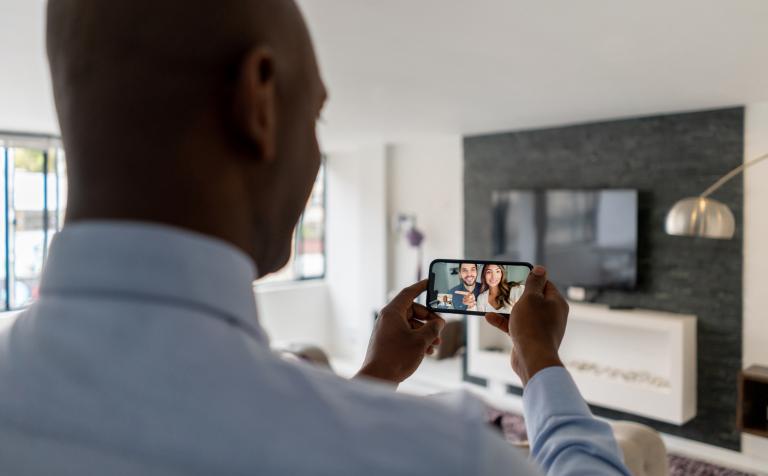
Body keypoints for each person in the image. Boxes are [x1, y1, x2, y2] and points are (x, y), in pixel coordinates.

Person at [0, 1, 630, 475]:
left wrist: (378, 371)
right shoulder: (436, 454)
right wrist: (539, 360)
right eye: (317, 114)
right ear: (260, 100)